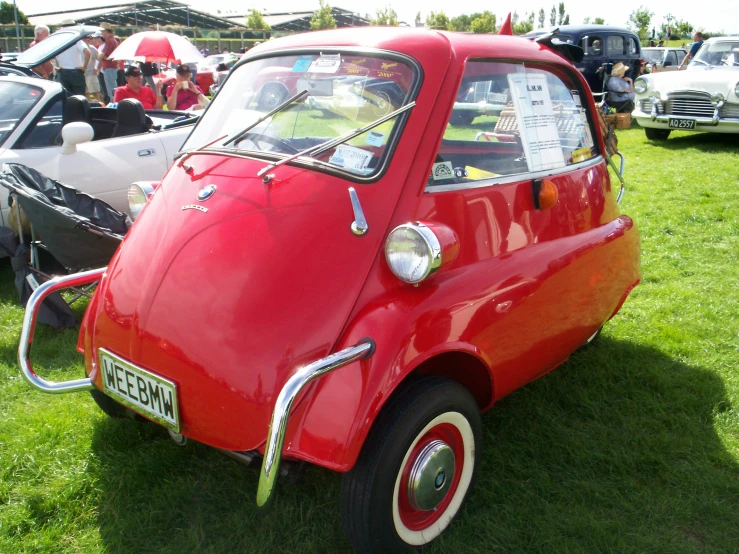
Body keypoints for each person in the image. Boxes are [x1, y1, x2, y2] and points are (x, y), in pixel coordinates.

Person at [54, 20, 90, 96]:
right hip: (76, 71)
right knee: (79, 97)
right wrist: (84, 67)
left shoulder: (58, 40)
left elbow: (53, 54)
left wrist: (56, 66)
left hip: (62, 71)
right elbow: (87, 52)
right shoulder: (76, 40)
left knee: (66, 97)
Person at [97, 24, 120, 101]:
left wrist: (103, 56)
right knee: (112, 88)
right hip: (111, 66)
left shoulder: (109, 41)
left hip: (109, 67)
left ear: (106, 31)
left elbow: (100, 55)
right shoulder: (112, 40)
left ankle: (114, 104)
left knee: (111, 89)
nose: (101, 34)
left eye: (102, 32)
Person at [83, 33, 104, 102]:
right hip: (81, 75)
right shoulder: (76, 48)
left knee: (94, 93)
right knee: (87, 93)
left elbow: (100, 58)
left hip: (90, 74)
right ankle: (91, 105)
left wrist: (97, 68)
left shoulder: (91, 48)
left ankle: (97, 106)